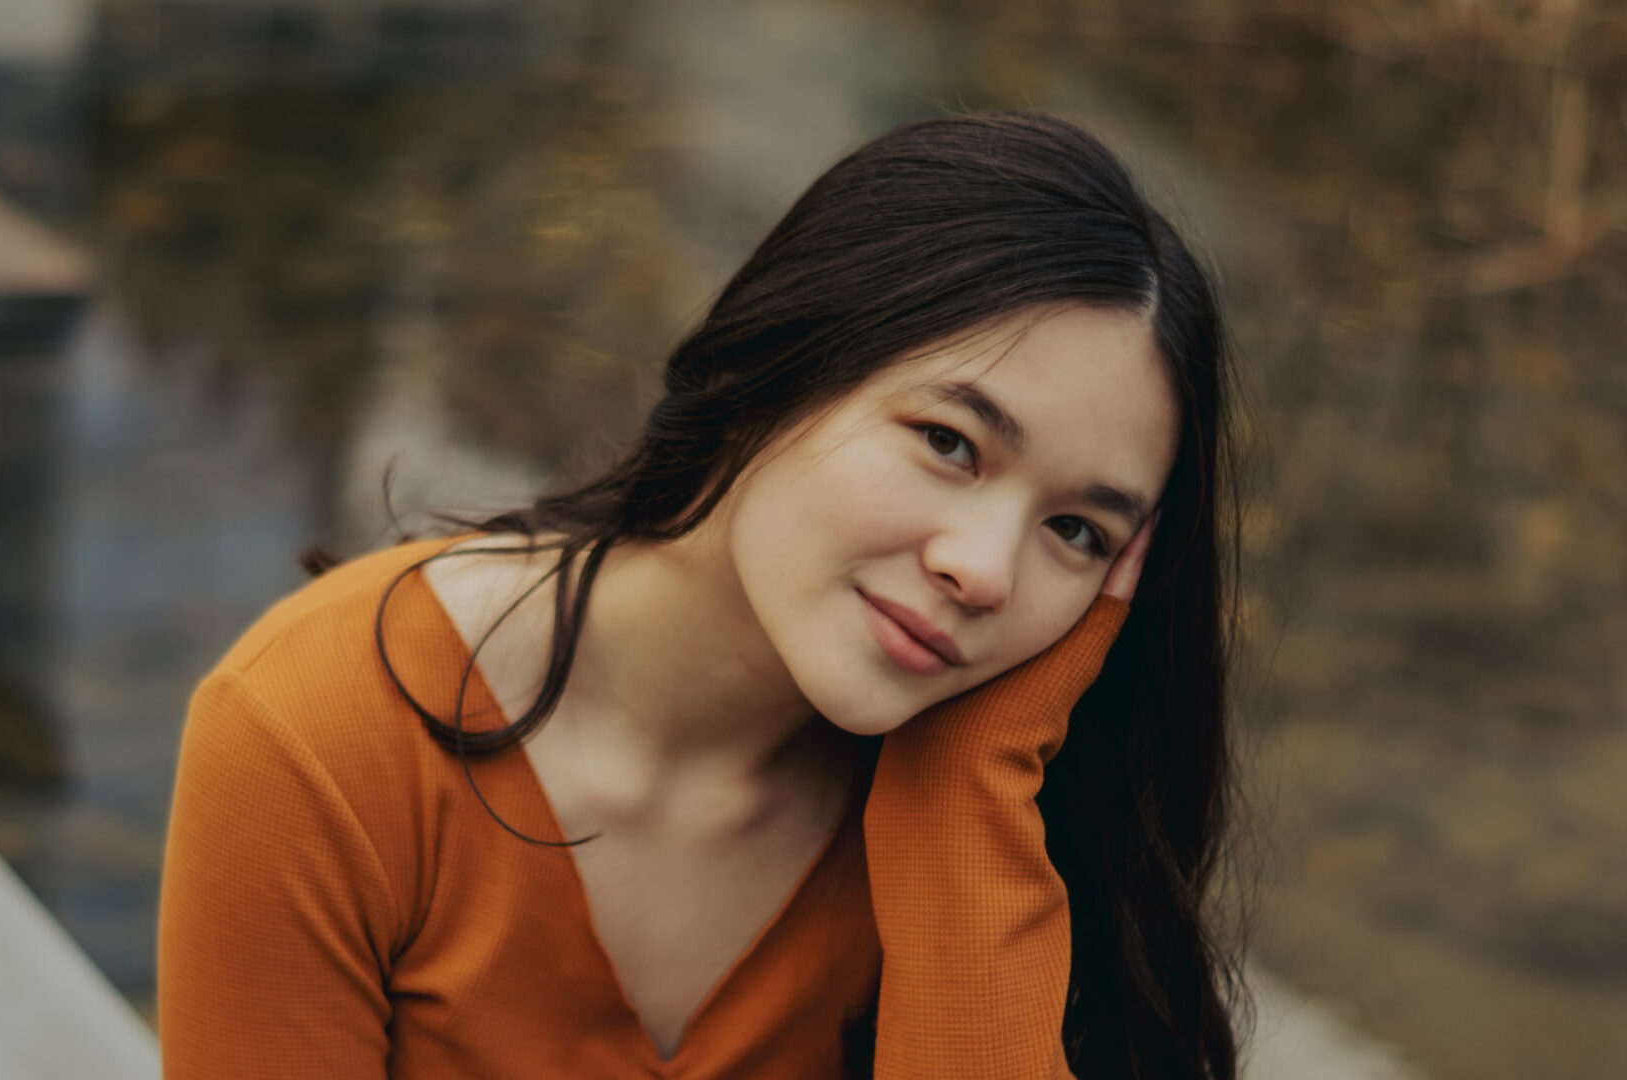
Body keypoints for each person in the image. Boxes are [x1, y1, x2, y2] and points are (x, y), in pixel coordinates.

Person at [158, 111, 1243, 1079]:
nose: (985, 570)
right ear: (783, 361)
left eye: (1074, 531)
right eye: (949, 442)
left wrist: (966, 797)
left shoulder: (1013, 818)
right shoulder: (322, 736)